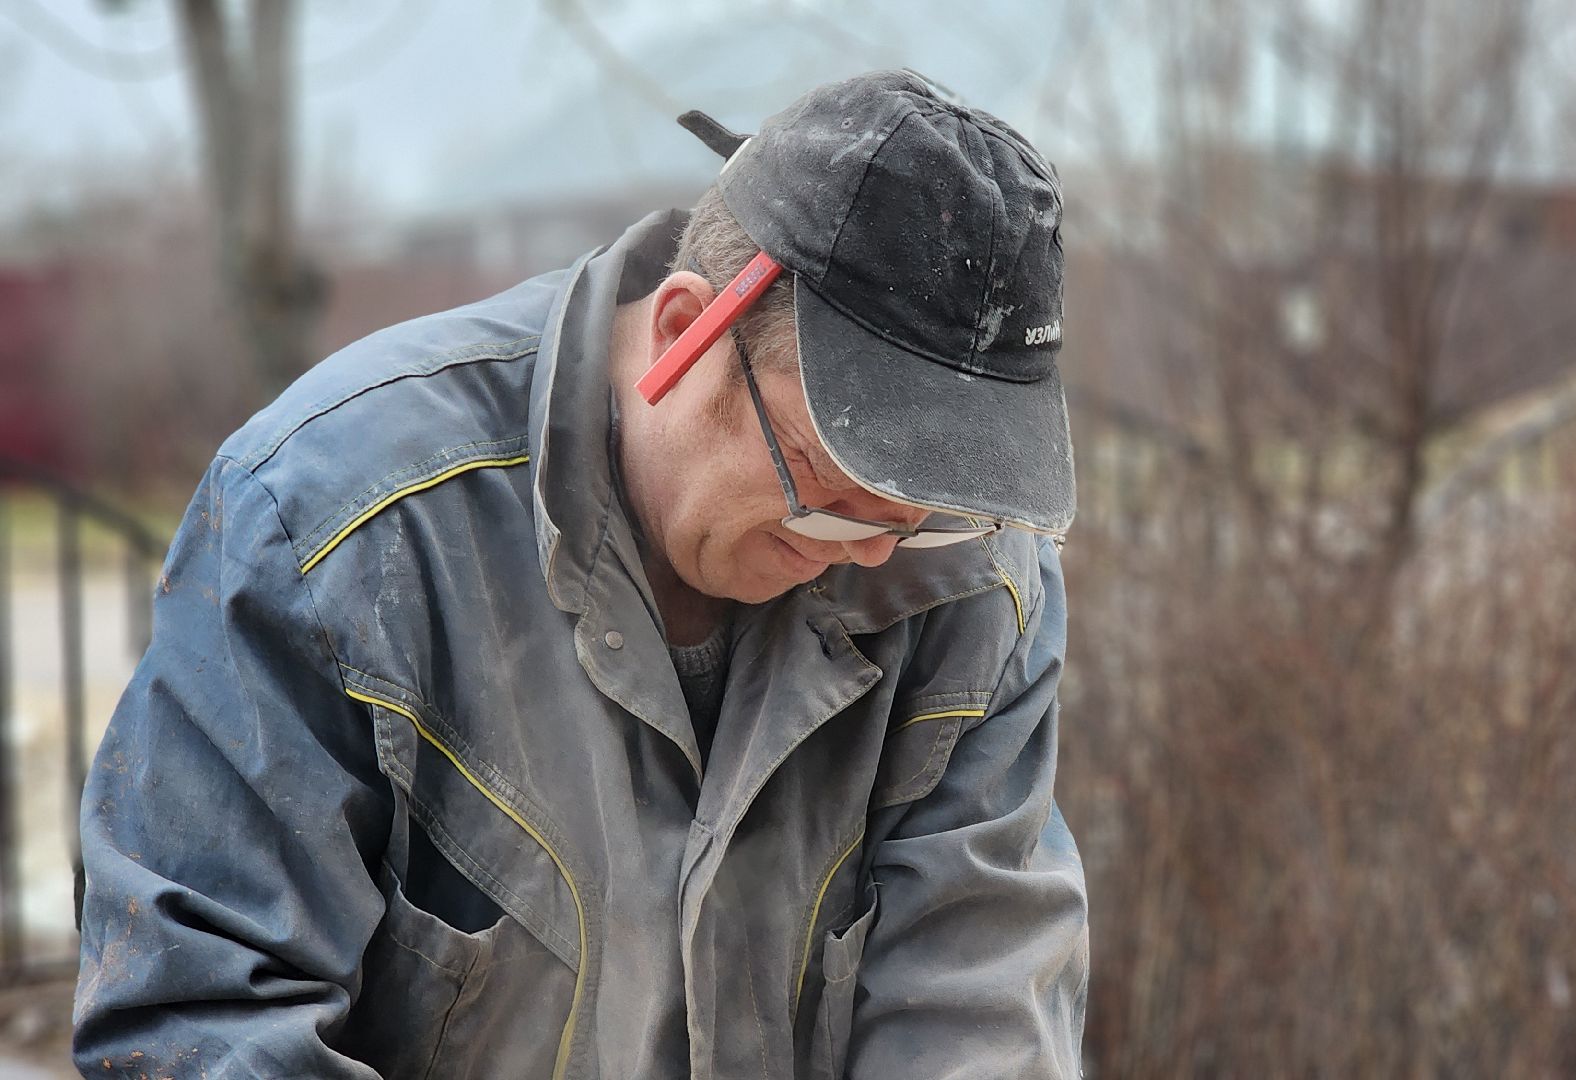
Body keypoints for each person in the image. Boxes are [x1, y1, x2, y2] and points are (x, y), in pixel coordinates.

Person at [72, 69, 1087, 1079]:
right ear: (688, 330)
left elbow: (980, 1002)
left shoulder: (965, 578)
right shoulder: (333, 529)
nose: (876, 546)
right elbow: (200, 1025)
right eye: (834, 477)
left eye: (927, 505)